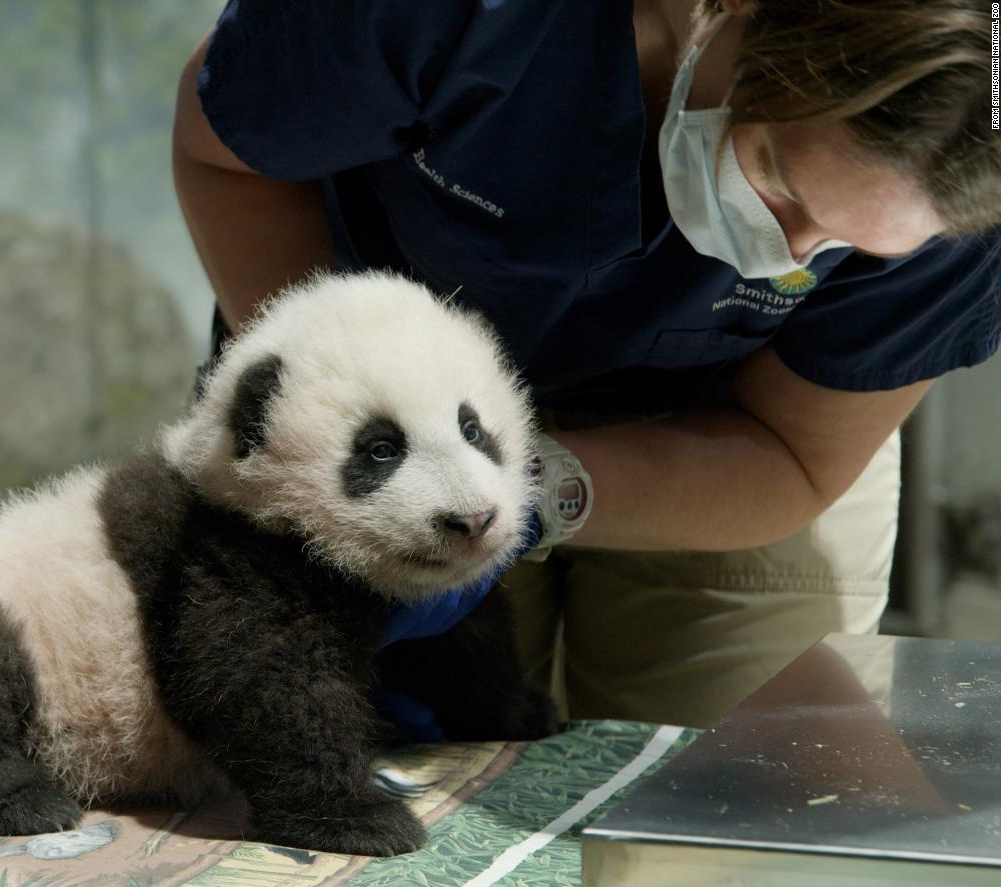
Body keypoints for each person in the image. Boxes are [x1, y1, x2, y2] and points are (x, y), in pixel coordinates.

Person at [173, 0, 1001, 728]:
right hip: (394, 413)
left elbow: (793, 453)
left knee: (722, 822)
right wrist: (345, 429)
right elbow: (229, 153)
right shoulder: (452, 14)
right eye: (779, 179)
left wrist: (532, 493)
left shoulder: (975, 186)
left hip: (732, 446)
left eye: (854, 247)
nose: (790, 257)